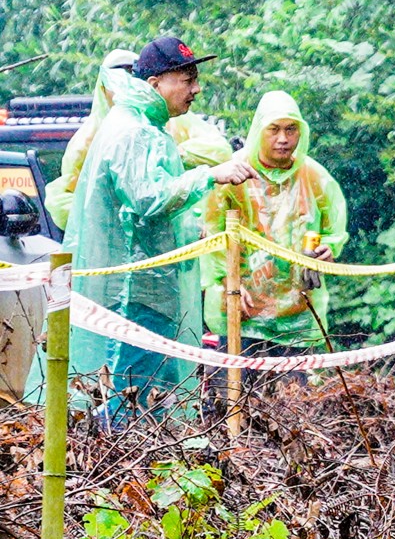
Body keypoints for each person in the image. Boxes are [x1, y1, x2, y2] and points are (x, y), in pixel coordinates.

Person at [68, 36, 256, 419]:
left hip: (150, 288)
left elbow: (146, 210)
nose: (196, 89)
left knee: (153, 397)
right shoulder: (133, 131)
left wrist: (186, 231)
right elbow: (147, 199)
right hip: (133, 293)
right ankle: (116, 473)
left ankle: (147, 473)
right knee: (129, 397)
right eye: (186, 79)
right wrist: (210, 175)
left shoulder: (147, 126)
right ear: (155, 83)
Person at [199, 90, 348, 351]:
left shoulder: (314, 176)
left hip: (296, 314)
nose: (283, 139)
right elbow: (210, 232)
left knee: (292, 391)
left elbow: (335, 226)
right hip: (241, 310)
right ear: (259, 130)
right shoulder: (234, 173)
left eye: (291, 129)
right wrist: (226, 281)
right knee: (235, 387)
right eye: (274, 129)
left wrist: (329, 249)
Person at [46, 47, 231, 232]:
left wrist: (174, 157)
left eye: (131, 79)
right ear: (103, 86)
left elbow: (219, 150)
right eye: (118, 81)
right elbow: (147, 200)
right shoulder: (95, 138)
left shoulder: (168, 121)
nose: (125, 86)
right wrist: (112, 219)